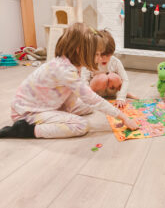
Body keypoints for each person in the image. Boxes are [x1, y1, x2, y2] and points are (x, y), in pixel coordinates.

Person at [0, 23, 138, 139]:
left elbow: (81, 97)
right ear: (79, 51)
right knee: (82, 125)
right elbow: (91, 98)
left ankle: (58, 114)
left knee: (88, 107)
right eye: (96, 54)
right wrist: (123, 117)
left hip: (48, 103)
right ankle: (27, 130)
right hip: (27, 113)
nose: (98, 58)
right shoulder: (65, 70)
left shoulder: (73, 65)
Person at [81, 29, 138, 109]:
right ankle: (122, 93)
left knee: (113, 77)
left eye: (107, 56)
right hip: (97, 92)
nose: (104, 59)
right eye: (101, 55)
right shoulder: (90, 62)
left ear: (112, 53)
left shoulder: (115, 62)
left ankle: (123, 93)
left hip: (112, 91)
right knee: (102, 78)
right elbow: (84, 81)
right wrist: (87, 97)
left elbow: (125, 79)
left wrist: (121, 97)